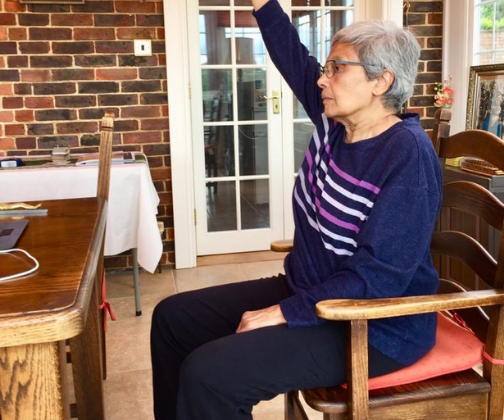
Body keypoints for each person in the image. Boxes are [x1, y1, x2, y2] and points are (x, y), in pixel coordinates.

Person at [150, 0, 442, 418]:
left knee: (211, 374)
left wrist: (283, 313)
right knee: (173, 317)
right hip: (313, 292)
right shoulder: (335, 123)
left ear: (382, 81)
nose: (322, 79)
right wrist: (263, 4)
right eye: (326, 68)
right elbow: (291, 53)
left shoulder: (407, 154)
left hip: (373, 324)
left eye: (336, 68)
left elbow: (378, 278)